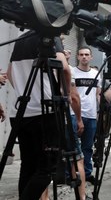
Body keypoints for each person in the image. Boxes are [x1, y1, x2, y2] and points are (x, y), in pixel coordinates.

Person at [7, 31, 87, 199]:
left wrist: (25, 92)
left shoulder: (21, 39)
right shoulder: (50, 36)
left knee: (28, 166)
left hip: (21, 112)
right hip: (44, 112)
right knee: (47, 168)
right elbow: (64, 67)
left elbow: (9, 74)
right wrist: (64, 95)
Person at [71, 46, 101, 185]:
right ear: (77, 57)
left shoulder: (96, 73)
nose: (84, 57)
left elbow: (97, 94)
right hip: (75, 114)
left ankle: (87, 174)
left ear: (91, 57)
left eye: (86, 54)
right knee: (72, 147)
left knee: (88, 147)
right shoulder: (72, 71)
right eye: (81, 54)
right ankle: (71, 174)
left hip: (91, 115)